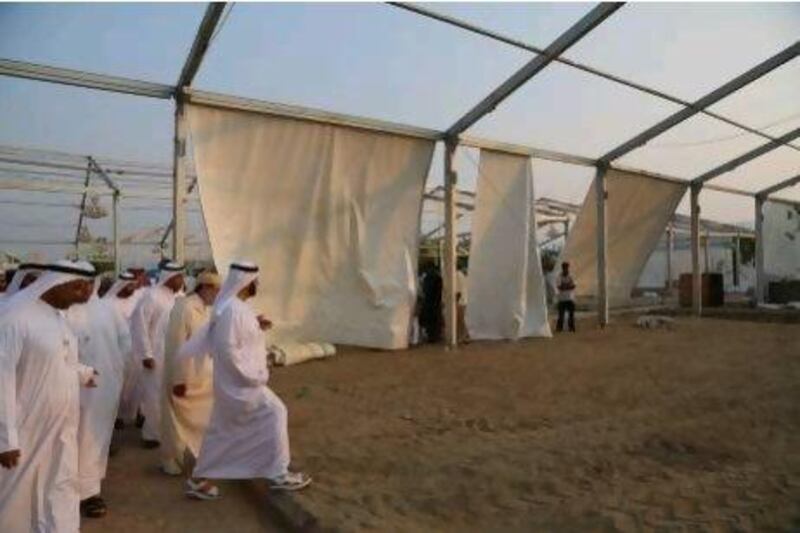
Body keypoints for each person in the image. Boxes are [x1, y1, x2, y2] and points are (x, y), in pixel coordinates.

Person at [179, 261, 311, 499]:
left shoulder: (236, 308)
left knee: (223, 431)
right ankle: (279, 472)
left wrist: (256, 325)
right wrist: (253, 376)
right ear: (246, 282)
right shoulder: (232, 310)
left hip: (236, 384)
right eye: (256, 281)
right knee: (276, 413)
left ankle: (199, 479)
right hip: (241, 385)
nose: (258, 284)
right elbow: (227, 349)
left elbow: (238, 337)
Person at [0, 260, 98, 533]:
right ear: (57, 283)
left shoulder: (58, 317)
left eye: (88, 286)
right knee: (18, 495)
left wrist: (85, 373)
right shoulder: (15, 318)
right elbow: (1, 378)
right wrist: (5, 439)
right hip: (26, 428)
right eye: (79, 287)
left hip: (62, 424)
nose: (86, 294)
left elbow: (61, 362)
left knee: (61, 485)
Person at [67, 265, 132, 519]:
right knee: (70, 438)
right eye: (79, 282)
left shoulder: (108, 308)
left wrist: (117, 365)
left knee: (95, 438)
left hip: (105, 385)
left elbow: (125, 339)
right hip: (71, 387)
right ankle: (68, 489)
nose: (84, 287)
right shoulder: (63, 310)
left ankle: (89, 492)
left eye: (88, 282)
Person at [160, 272, 220, 481]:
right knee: (174, 422)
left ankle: (197, 458)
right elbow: (177, 345)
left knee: (201, 419)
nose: (218, 295)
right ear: (205, 288)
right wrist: (179, 380)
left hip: (201, 375)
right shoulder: (184, 307)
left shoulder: (207, 309)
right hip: (182, 375)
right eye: (216, 290)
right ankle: (171, 461)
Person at [130, 261, 184, 447]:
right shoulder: (151, 296)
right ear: (169, 277)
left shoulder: (180, 297)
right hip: (156, 356)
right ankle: (152, 435)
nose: (182, 280)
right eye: (178, 277)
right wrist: (146, 354)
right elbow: (139, 325)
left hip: (176, 354)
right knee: (154, 396)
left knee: (173, 395)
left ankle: (169, 433)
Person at [419, 262, 443, 343]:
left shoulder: (427, 278)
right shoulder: (438, 278)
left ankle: (431, 336)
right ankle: (434, 336)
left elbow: (425, 290)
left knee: (430, 321)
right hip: (436, 303)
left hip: (429, 302)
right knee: (434, 320)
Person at [556, 261, 576, 333]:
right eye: (564, 268)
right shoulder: (559, 276)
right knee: (561, 315)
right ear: (562, 268)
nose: (566, 269)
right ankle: (559, 328)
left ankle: (571, 328)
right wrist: (568, 286)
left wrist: (565, 286)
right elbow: (559, 287)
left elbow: (573, 286)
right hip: (562, 299)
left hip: (570, 298)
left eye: (567, 268)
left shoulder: (571, 276)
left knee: (571, 315)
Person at [456, 263, 470, 344]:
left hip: (460, 301)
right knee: (461, 319)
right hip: (463, 300)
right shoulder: (461, 275)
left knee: (460, 319)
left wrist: (456, 302)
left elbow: (458, 290)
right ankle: (465, 335)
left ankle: (464, 336)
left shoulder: (456, 275)